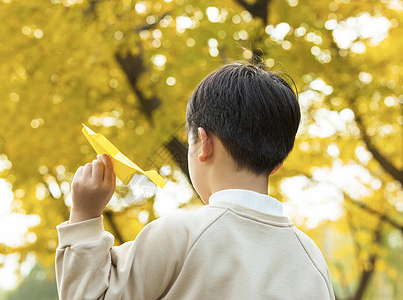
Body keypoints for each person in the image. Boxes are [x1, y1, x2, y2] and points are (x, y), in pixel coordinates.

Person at [55, 62, 335, 300]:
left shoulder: (178, 236)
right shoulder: (310, 259)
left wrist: (84, 217)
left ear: (204, 143)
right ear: (278, 163)